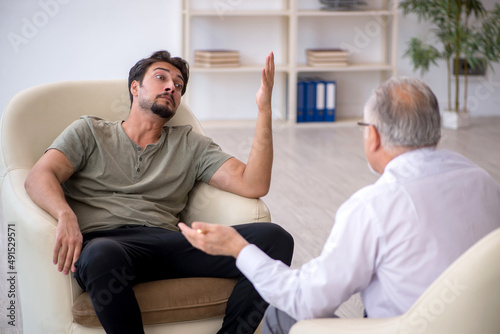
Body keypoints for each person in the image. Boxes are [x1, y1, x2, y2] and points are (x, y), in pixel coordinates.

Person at [180, 77, 500, 334]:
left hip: (404, 326)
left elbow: (305, 300)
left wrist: (238, 247)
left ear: (372, 136)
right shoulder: (483, 181)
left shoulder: (374, 206)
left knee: (283, 315)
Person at [24, 50, 294, 334]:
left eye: (178, 85)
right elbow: (39, 175)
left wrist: (264, 110)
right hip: (109, 246)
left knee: (275, 239)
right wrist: (65, 214)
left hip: (169, 244)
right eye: (161, 77)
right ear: (135, 87)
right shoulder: (90, 131)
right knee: (102, 254)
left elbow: (254, 184)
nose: (171, 87)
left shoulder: (189, 144)